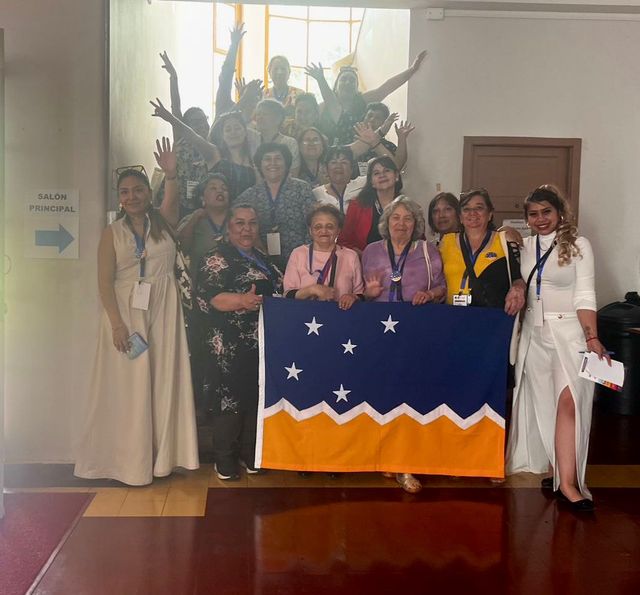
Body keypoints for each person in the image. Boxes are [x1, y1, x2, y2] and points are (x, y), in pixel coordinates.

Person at [74, 138, 199, 486]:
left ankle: (161, 460)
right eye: (125, 192)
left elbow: (172, 201)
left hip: (164, 309)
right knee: (129, 386)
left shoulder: (163, 221)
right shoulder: (111, 233)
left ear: (148, 192)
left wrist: (171, 175)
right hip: (126, 314)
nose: (132, 197)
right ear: (119, 197)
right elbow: (104, 283)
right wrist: (117, 325)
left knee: (162, 380)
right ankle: (127, 463)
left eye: (138, 190)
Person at [507, 185, 607, 512]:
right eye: (533, 214)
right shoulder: (525, 246)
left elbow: (585, 295)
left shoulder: (579, 245)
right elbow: (512, 261)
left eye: (546, 212)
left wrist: (591, 337)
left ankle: (569, 484)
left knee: (570, 402)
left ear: (560, 212)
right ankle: (556, 472)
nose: (540, 219)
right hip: (534, 335)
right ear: (526, 219)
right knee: (546, 405)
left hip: (570, 334)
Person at [361, 196, 446, 493]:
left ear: (416, 224)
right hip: (379, 331)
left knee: (409, 392)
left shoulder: (427, 251)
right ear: (386, 222)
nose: (401, 223)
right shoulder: (371, 251)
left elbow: (442, 287)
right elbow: (360, 292)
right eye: (395, 217)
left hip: (414, 331)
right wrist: (369, 294)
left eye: (407, 218)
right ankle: (384, 455)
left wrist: (430, 295)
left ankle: (405, 462)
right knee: (381, 392)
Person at [197, 204, 283, 480]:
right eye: (240, 223)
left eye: (252, 223)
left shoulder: (263, 258)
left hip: (260, 342)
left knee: (254, 398)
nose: (247, 229)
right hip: (228, 344)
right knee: (229, 402)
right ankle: (224, 461)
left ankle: (251, 455)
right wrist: (242, 300)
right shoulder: (216, 258)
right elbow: (211, 298)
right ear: (228, 227)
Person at [305, 51, 427, 145]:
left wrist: (411, 70)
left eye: (352, 80)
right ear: (336, 86)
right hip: (332, 158)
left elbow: (386, 88)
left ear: (356, 87)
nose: (347, 83)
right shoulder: (323, 107)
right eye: (343, 79)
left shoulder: (363, 101)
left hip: (361, 153)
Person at [439, 188, 525, 314]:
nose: (472, 213)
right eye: (466, 209)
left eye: (479, 208)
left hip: (493, 317)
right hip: (453, 316)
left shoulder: (504, 241)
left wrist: (518, 289)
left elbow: (518, 278)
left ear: (490, 214)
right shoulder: (446, 242)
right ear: (460, 217)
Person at [151, 101, 256, 200]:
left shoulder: (253, 159)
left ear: (245, 131)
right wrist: (170, 118)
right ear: (223, 135)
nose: (233, 133)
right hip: (190, 204)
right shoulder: (214, 152)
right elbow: (192, 136)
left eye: (237, 128)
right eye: (228, 130)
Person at [236, 143, 316, 269]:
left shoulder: (302, 188)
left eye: (278, 158)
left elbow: (313, 224)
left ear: (286, 163)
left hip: (301, 262)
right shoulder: (249, 195)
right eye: (267, 159)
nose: (272, 163)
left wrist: (306, 258)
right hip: (262, 265)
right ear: (260, 164)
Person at [156, 52, 211, 216]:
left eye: (204, 120)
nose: (202, 125)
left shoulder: (211, 147)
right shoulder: (182, 138)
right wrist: (174, 77)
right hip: (175, 202)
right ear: (186, 125)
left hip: (200, 207)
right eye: (196, 122)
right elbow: (176, 107)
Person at [284, 204, 363, 309]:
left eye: (330, 226)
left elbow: (360, 294)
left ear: (338, 230)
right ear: (310, 230)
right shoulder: (298, 254)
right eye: (318, 227)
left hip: (341, 315)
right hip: (305, 316)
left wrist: (352, 297)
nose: (324, 231)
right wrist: (312, 289)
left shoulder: (351, 256)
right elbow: (288, 295)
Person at [338, 156, 403, 252]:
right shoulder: (357, 206)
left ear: (396, 176)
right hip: (365, 260)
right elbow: (343, 241)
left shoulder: (408, 206)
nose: (382, 175)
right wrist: (362, 255)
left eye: (387, 171)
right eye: (376, 173)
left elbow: (418, 240)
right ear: (371, 182)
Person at [214, 24, 263, 122]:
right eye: (250, 96)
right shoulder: (226, 106)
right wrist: (234, 45)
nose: (251, 102)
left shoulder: (259, 124)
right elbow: (226, 77)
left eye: (255, 99)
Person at [247, 99, 300, 173]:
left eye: (265, 114)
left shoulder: (290, 143)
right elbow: (232, 119)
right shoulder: (251, 137)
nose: (260, 117)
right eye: (258, 114)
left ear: (278, 118)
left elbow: (293, 173)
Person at [313, 146, 365, 215]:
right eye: (333, 162)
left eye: (344, 162)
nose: (338, 166)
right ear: (326, 168)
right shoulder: (316, 193)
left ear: (352, 168)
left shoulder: (363, 184)